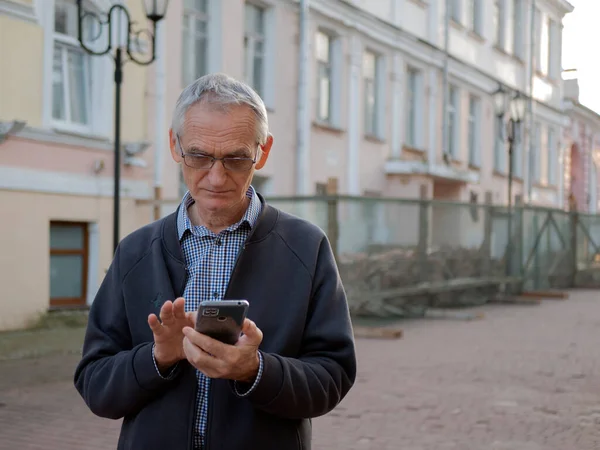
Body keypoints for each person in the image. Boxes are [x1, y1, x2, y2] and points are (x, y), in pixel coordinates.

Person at [74, 73, 357, 450]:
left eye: (237, 158)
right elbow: (95, 383)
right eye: (199, 156)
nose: (217, 177)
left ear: (263, 151)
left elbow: (333, 375)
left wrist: (256, 371)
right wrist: (158, 357)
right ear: (175, 146)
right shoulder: (135, 252)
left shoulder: (306, 247)